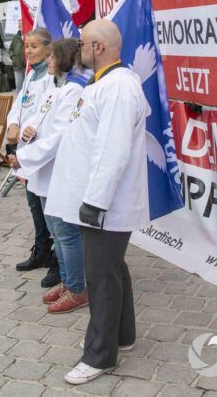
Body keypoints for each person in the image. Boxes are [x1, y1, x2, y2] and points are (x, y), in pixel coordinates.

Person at [46, 20, 150, 385]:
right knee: (112, 268)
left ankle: (100, 355)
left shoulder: (118, 87)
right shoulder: (105, 83)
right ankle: (122, 336)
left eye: (82, 43)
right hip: (100, 200)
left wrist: (96, 201)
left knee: (101, 276)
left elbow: (113, 149)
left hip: (106, 203)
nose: (78, 49)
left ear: (99, 47)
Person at [10, 38, 89, 313]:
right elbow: (36, 116)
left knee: (66, 232)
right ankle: (68, 280)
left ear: (63, 59)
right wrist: (27, 130)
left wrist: (23, 156)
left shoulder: (72, 91)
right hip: (44, 170)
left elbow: (61, 135)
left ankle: (78, 288)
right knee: (55, 230)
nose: (49, 62)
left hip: (59, 169)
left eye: (53, 58)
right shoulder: (54, 88)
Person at [7, 28, 56, 276]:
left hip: (41, 151)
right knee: (33, 203)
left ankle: (58, 255)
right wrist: (13, 123)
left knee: (48, 205)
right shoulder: (30, 76)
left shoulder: (51, 77)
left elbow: (46, 113)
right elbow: (19, 103)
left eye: (34, 46)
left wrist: (28, 127)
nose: (28, 50)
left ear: (49, 49)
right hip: (26, 151)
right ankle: (41, 249)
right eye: (26, 46)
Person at [9, 24, 26, 90]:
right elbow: (10, 49)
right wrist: (12, 56)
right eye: (19, 25)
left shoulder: (29, 35)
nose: (20, 27)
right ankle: (18, 99)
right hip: (17, 64)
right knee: (18, 84)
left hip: (26, 64)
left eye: (21, 25)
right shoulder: (15, 37)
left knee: (27, 84)